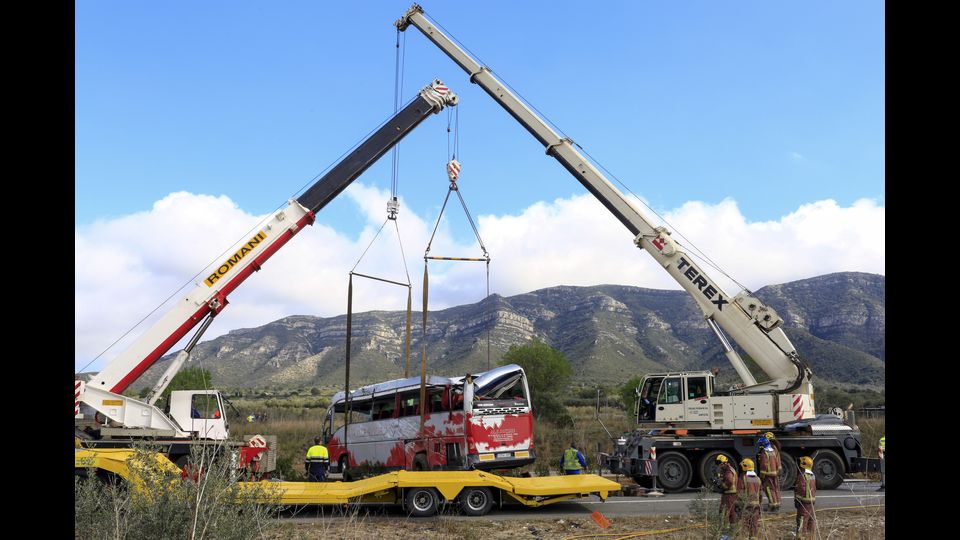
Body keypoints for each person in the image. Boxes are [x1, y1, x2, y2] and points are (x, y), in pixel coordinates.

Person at [737, 458, 762, 540]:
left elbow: (739, 494)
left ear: (745, 467)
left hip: (746, 506)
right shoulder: (758, 479)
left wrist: (737, 506)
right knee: (754, 526)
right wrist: (759, 505)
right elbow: (760, 494)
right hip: (756, 506)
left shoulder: (743, 478)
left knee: (744, 525)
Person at [756, 433, 781, 512]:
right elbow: (777, 462)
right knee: (775, 489)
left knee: (769, 489)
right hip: (775, 473)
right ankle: (777, 503)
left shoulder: (765, 452)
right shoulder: (773, 449)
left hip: (768, 474)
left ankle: (772, 505)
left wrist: (761, 476)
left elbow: (764, 465)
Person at [794, 456, 817, 539]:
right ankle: (810, 535)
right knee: (811, 518)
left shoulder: (802, 476)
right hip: (811, 501)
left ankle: (801, 536)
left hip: (803, 502)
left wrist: (797, 500)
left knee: (802, 519)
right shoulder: (812, 475)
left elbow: (800, 489)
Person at [716, 454, 739, 527]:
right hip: (731, 494)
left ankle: (724, 528)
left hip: (729, 494)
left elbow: (729, 481)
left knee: (725, 511)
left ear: (724, 463)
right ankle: (733, 527)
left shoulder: (728, 471)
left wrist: (722, 486)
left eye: (719, 464)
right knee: (732, 511)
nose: (718, 466)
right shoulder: (727, 469)